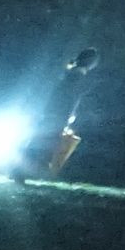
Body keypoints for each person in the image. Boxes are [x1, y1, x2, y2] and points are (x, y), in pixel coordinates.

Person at [42, 47, 98, 178]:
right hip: (61, 111)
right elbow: (73, 96)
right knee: (51, 139)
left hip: (53, 109)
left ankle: (36, 166)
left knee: (47, 138)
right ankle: (36, 167)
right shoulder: (79, 75)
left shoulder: (70, 72)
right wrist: (71, 113)